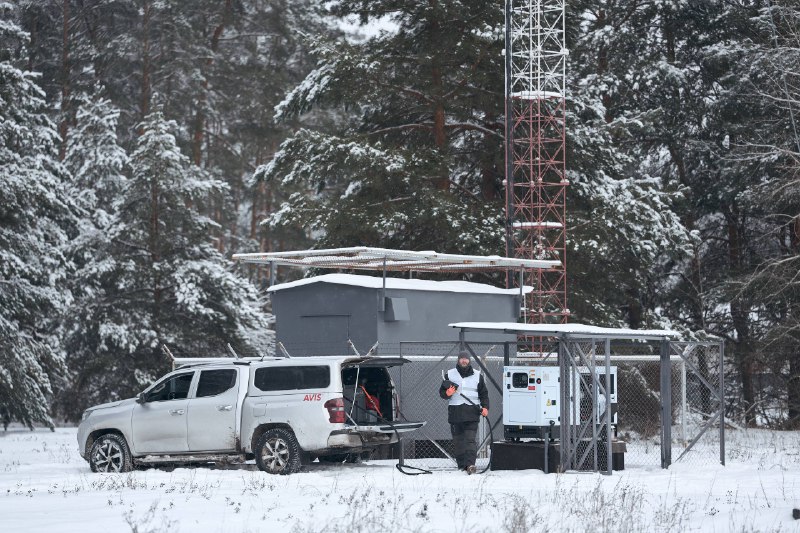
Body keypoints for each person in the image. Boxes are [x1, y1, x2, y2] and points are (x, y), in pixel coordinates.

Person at [439, 352, 489, 474]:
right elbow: (441, 393)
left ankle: (470, 465)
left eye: (466, 359)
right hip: (455, 413)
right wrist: (448, 393)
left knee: (470, 440)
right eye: (462, 359)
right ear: (458, 360)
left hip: (472, 413)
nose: (464, 361)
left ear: (469, 361)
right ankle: (462, 466)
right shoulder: (449, 374)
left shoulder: (478, 375)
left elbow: (484, 394)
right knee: (458, 441)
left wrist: (485, 407)